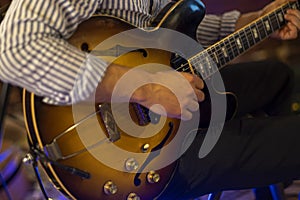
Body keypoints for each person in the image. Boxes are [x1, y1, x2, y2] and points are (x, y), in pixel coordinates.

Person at [0, 0, 300, 199]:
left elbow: (158, 27)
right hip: (139, 160)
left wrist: (250, 22)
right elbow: (15, 50)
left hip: (163, 102)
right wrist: (148, 88)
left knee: (280, 77)